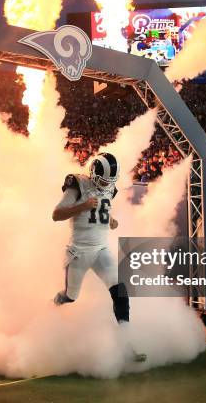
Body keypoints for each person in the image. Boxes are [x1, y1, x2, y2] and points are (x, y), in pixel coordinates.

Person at [52, 152, 146, 362]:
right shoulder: (77, 184)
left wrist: (110, 220)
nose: (106, 185)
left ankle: (126, 344)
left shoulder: (109, 188)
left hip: (101, 250)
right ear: (94, 173)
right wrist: (83, 206)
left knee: (120, 290)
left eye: (109, 182)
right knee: (71, 296)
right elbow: (56, 214)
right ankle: (51, 307)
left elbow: (101, 207)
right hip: (79, 252)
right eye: (103, 180)